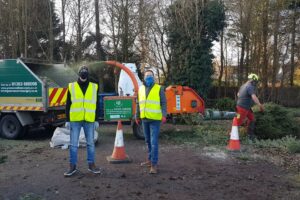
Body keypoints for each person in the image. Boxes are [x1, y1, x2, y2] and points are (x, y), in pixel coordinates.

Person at [64, 66, 101, 177]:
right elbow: (68, 104)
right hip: (75, 119)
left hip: (89, 120)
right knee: (73, 144)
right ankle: (72, 166)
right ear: (79, 73)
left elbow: (97, 104)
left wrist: (96, 119)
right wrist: (67, 120)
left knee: (90, 144)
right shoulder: (72, 86)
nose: (83, 72)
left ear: (87, 73)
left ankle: (91, 165)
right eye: (82, 71)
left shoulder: (94, 86)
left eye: (85, 71)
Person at [135, 69, 167, 174]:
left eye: (150, 75)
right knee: (148, 141)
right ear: (143, 78)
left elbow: (163, 103)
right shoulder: (140, 89)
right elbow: (138, 103)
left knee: (153, 142)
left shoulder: (159, 88)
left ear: (153, 77)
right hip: (145, 119)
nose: (149, 77)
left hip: (155, 120)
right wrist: (137, 115)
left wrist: (164, 115)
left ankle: (154, 164)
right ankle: (149, 160)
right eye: (147, 75)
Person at [236, 73, 264, 140]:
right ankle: (232, 135)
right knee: (238, 121)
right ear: (253, 80)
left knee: (252, 119)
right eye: (255, 81)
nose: (256, 83)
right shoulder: (250, 86)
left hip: (246, 107)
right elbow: (254, 97)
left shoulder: (243, 86)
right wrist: (260, 105)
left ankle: (250, 135)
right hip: (242, 108)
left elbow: (238, 94)